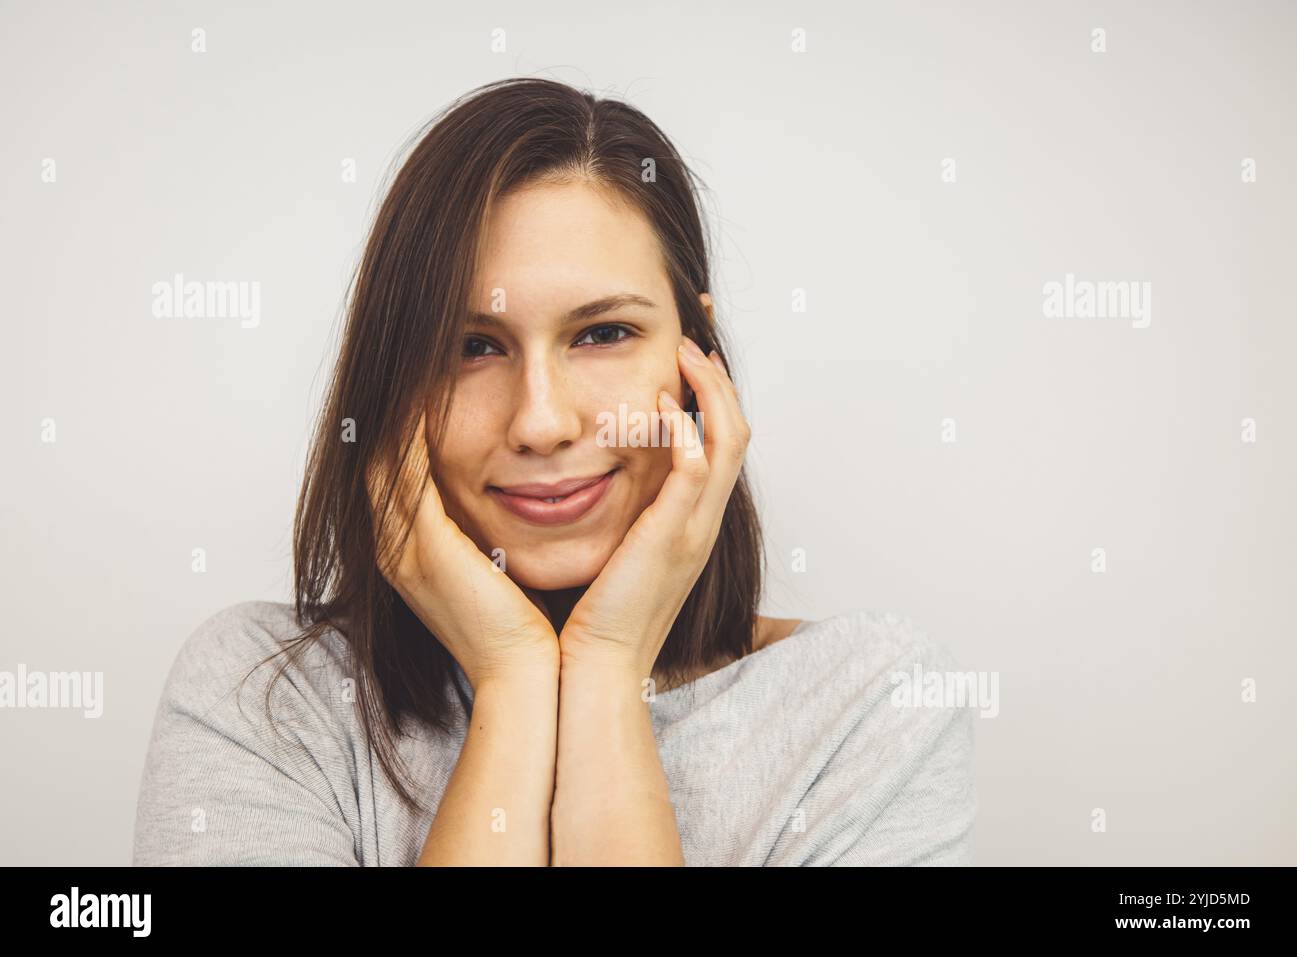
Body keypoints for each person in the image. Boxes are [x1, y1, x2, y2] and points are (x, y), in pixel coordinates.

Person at [132, 77, 976, 866]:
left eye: (602, 333)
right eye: (473, 348)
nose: (541, 421)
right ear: (391, 383)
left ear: (700, 359)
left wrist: (607, 671)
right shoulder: (266, 698)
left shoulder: (869, 705)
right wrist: (513, 677)